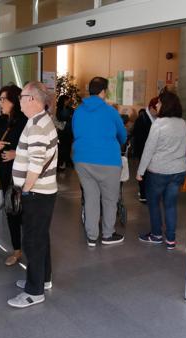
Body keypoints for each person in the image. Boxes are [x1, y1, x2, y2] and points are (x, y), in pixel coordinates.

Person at [8, 81, 58, 308]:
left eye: (21, 97)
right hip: (43, 192)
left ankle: (34, 291)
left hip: (36, 194)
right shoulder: (39, 120)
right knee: (41, 238)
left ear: (33, 99)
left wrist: (25, 190)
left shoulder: (37, 126)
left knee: (33, 242)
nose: (19, 101)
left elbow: (36, 164)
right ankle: (43, 279)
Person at [72, 77, 127, 247]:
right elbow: (123, 135)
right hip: (108, 161)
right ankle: (108, 235)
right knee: (110, 199)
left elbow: (75, 132)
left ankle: (91, 237)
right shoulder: (110, 111)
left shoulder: (78, 111)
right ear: (104, 91)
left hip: (82, 161)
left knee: (91, 198)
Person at [136, 91, 186, 250]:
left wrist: (140, 171)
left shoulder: (158, 124)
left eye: (159, 103)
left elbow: (149, 149)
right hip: (179, 171)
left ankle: (156, 235)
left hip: (158, 171)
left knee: (153, 203)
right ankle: (171, 239)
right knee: (171, 204)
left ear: (165, 105)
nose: (157, 105)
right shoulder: (183, 123)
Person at [0, 85, 28, 266]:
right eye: (0, 99)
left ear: (15, 100)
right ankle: (17, 250)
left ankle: (33, 248)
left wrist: (16, 154)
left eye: (4, 99)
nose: (1, 103)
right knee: (12, 210)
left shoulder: (27, 120)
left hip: (27, 174)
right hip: (6, 174)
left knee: (28, 212)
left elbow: (36, 150)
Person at [132, 97, 158, 202]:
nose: (158, 112)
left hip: (153, 151)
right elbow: (138, 136)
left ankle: (147, 191)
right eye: (156, 109)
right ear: (151, 108)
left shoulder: (157, 118)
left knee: (149, 173)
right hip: (143, 149)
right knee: (143, 172)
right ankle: (143, 194)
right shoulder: (142, 118)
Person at [56, 94, 74, 170]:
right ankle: (64, 162)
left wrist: (67, 118)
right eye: (66, 100)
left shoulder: (70, 109)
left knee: (68, 146)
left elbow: (71, 117)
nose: (67, 102)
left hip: (69, 130)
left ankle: (67, 162)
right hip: (62, 130)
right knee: (63, 147)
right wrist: (67, 118)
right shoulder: (59, 109)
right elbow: (60, 118)